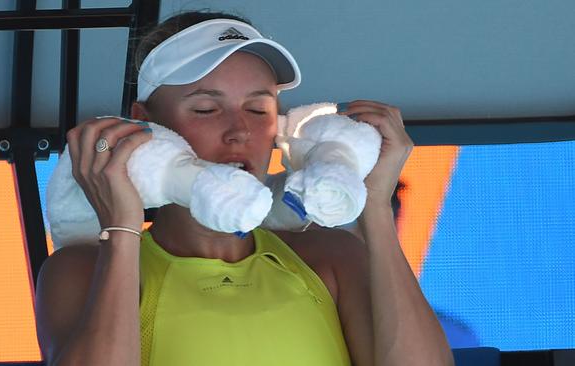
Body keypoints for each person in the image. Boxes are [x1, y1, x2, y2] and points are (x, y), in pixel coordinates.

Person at [34, 11, 454, 366]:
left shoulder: (332, 257)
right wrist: (122, 226)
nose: (240, 131)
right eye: (206, 108)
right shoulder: (83, 270)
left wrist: (374, 205)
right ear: (147, 125)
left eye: (258, 108)